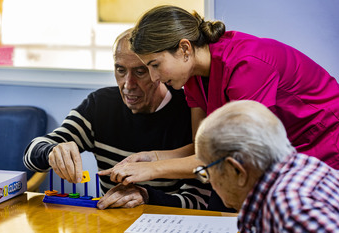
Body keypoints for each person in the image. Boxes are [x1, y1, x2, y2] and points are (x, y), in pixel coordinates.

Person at [102, 4, 339, 211]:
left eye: (155, 65)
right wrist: (151, 158)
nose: (153, 77)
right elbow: (202, 149)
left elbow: (236, 155)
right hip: (275, 150)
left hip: (323, 143)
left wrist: (153, 171)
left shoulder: (247, 66)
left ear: (185, 49)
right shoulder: (192, 76)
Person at [23, 29, 211, 210]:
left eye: (140, 72)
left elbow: (199, 200)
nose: (128, 84)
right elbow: (31, 155)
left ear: (157, 71)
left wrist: (146, 196)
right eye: (120, 70)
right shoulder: (99, 105)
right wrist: (52, 151)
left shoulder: (191, 112)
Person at [194, 100, 339, 232]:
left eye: (207, 172)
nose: (211, 183)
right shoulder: (302, 166)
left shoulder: (291, 207)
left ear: (236, 170)